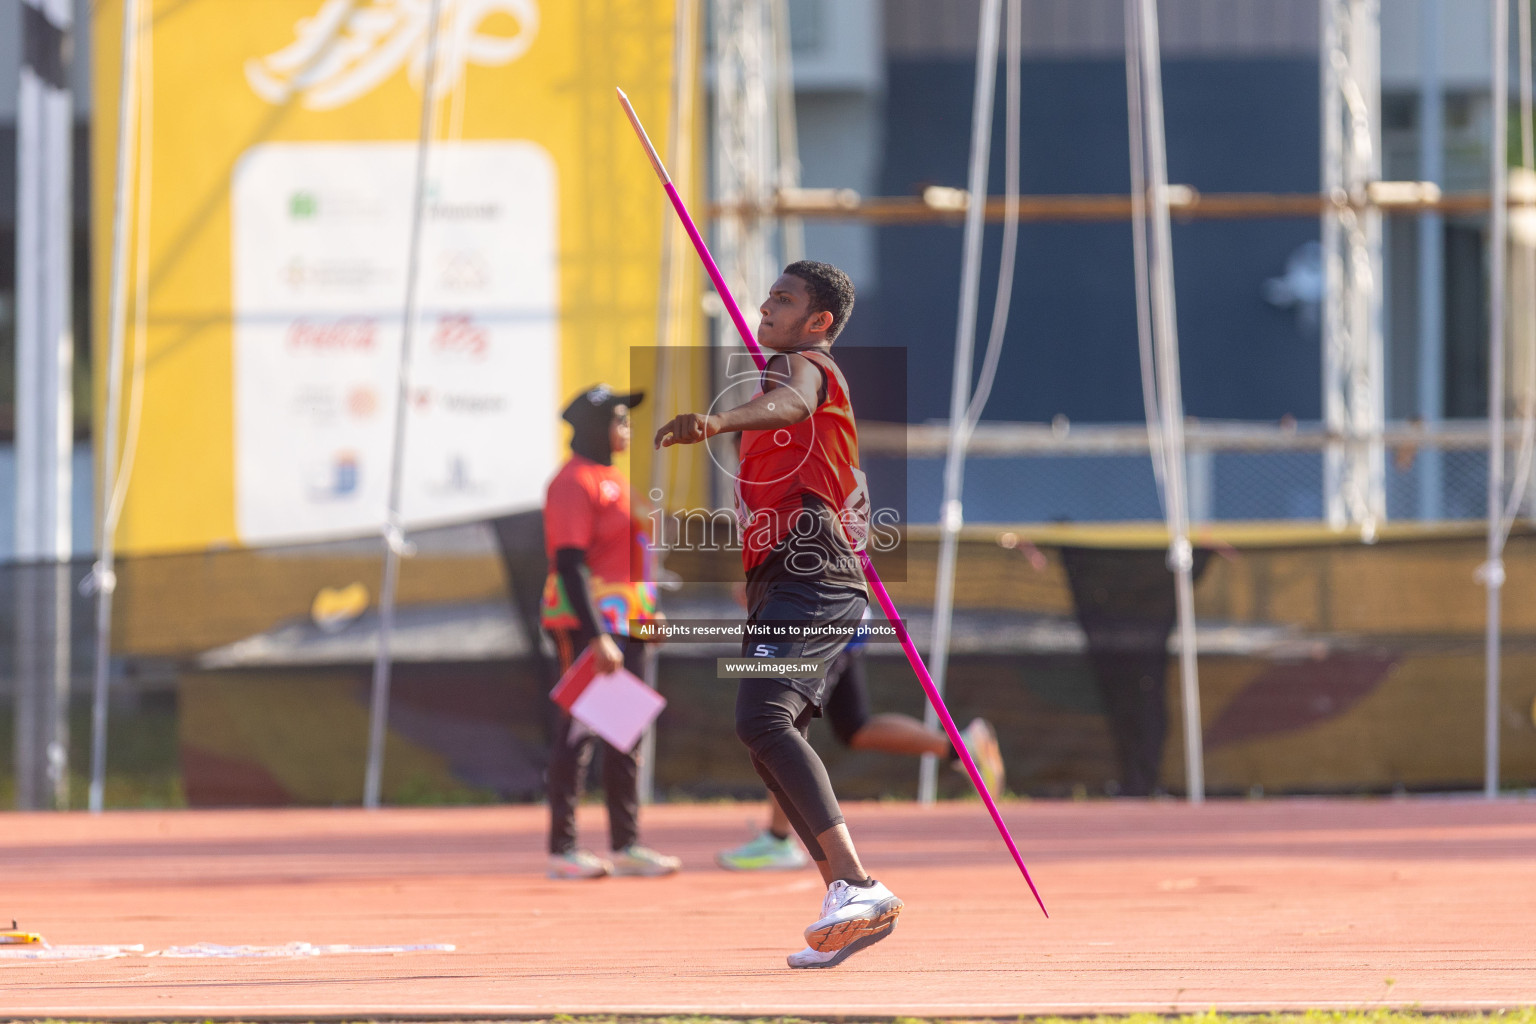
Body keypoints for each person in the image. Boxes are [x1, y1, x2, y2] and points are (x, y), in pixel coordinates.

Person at [655, 259, 899, 969]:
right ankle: (849, 897)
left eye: (784, 299)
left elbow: (795, 403)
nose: (766, 306)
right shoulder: (783, 376)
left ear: (818, 321)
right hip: (779, 575)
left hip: (813, 567)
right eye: (767, 296)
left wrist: (718, 420)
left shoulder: (810, 368)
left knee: (762, 719)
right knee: (765, 731)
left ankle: (856, 883)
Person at [717, 601, 1007, 872]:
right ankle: (961, 747)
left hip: (822, 621)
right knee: (854, 727)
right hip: (842, 619)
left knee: (778, 725)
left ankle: (779, 840)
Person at [540, 384, 680, 880]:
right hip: (591, 625)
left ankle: (626, 844)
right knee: (579, 731)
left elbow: (630, 555)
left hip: (628, 621)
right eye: (621, 419)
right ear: (596, 426)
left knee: (626, 732)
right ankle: (564, 849)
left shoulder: (612, 478)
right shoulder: (573, 482)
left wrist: (648, 610)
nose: (628, 428)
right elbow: (571, 563)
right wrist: (596, 634)